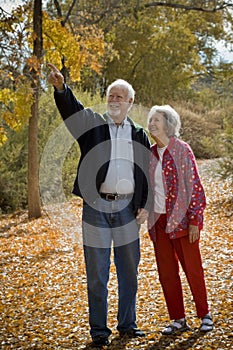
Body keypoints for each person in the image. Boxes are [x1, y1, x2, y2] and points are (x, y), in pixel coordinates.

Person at [48, 63, 152, 347]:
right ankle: (99, 332)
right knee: (97, 271)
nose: (114, 100)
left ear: (131, 102)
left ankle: (128, 325)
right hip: (97, 208)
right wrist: (61, 88)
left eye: (120, 97)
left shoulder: (139, 134)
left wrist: (144, 204)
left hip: (128, 210)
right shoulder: (93, 126)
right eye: (111, 96)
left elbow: (145, 172)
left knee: (129, 269)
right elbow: (74, 111)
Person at [147, 105, 214, 335]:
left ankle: (204, 315)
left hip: (183, 221)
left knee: (192, 269)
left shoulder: (182, 150)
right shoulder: (151, 153)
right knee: (166, 273)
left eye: (156, 120)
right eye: (150, 120)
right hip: (158, 221)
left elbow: (194, 184)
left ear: (168, 124)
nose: (152, 124)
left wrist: (196, 218)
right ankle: (178, 318)